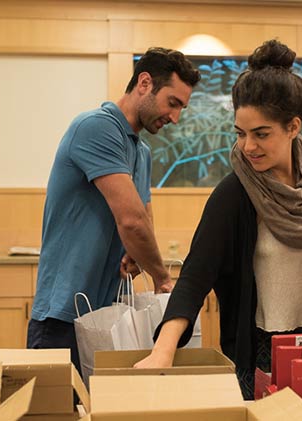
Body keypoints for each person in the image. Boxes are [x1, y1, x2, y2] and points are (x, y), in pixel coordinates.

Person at [134, 39, 302, 399]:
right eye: (241, 133)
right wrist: (163, 349)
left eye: (261, 134)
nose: (247, 146)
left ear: (293, 127)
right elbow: (196, 276)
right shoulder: (236, 193)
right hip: (269, 351)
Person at [27, 47, 201, 375]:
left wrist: (134, 254)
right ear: (145, 83)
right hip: (62, 318)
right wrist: (162, 278)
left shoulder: (142, 151)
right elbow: (132, 220)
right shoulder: (96, 128)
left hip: (109, 319)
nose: (175, 117)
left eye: (182, 108)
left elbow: (143, 219)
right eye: (173, 103)